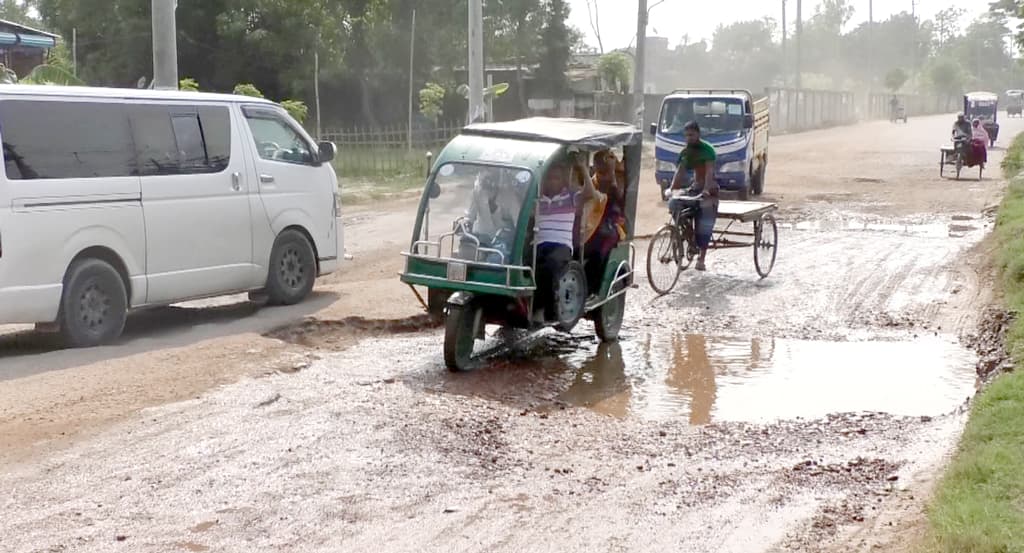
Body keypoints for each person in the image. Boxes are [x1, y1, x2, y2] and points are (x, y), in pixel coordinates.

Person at [535, 154, 594, 318]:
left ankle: (547, 310)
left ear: (562, 181)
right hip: (539, 244)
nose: (553, 181)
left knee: (549, 266)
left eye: (556, 178)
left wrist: (582, 167)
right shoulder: (538, 199)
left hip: (561, 246)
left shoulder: (570, 197)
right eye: (550, 178)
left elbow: (590, 193)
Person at [667, 121, 718, 272]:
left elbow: (709, 172)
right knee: (674, 204)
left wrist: (707, 189)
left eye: (692, 135)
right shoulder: (686, 152)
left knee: (704, 222)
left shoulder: (707, 150)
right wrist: (671, 189)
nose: (689, 138)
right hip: (694, 188)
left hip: (710, 190)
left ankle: (701, 258)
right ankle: (688, 235)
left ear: (698, 134)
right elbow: (680, 172)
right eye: (687, 135)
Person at [581, 149, 627, 291]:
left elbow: (618, 206)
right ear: (594, 167)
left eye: (606, 171)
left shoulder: (617, 182)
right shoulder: (591, 182)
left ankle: (593, 288)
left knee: (599, 251)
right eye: (600, 170)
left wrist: (613, 180)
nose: (603, 174)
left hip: (609, 225)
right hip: (590, 223)